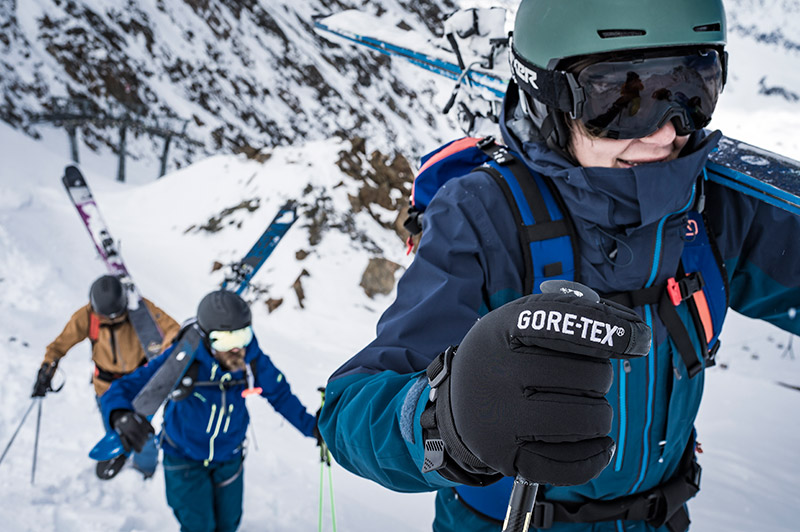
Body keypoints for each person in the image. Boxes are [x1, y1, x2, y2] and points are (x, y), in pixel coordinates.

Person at [318, 1, 800, 531]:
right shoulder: (483, 216)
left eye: (692, 91)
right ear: (550, 97)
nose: (667, 133)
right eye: (626, 100)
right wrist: (448, 418)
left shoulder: (714, 206)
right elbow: (348, 412)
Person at [100, 289, 319, 532]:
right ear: (207, 338)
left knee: (228, 524)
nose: (237, 349)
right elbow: (123, 388)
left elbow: (281, 395)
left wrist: (313, 428)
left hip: (229, 457)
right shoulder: (182, 358)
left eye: (242, 336)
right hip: (183, 458)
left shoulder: (252, 360)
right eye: (225, 341)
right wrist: (119, 415)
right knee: (199, 526)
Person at [33, 274, 180, 479]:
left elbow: (173, 331)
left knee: (142, 433)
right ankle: (120, 452)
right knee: (116, 427)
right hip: (106, 387)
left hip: (139, 386)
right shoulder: (87, 316)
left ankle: (144, 472)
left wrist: (165, 355)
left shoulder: (140, 309)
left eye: (115, 316)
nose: (110, 320)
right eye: (106, 316)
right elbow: (59, 346)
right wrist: (47, 369)